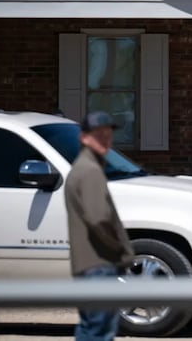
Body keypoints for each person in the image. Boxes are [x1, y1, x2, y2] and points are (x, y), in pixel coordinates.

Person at [64, 111, 135, 341]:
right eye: (98, 135)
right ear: (84, 138)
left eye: (108, 134)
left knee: (90, 329)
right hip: (99, 265)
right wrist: (121, 252)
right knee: (100, 332)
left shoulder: (83, 168)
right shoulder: (90, 171)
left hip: (88, 266)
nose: (105, 140)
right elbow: (99, 219)